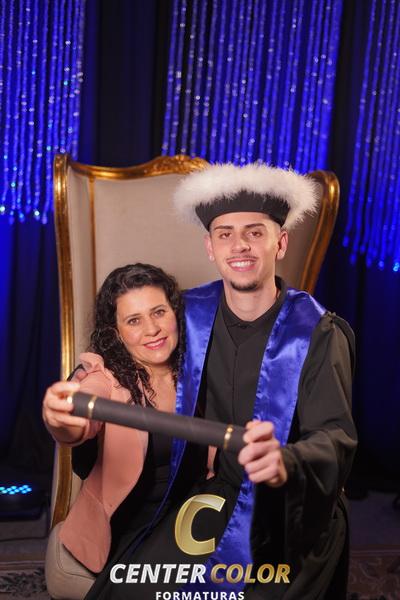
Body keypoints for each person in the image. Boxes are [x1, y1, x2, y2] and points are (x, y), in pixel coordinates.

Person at [43, 263, 190, 595]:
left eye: (159, 312)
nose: (152, 329)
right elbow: (81, 417)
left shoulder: (198, 368)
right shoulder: (104, 378)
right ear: (116, 333)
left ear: (175, 313)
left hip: (190, 518)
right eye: (134, 321)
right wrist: (62, 421)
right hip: (129, 528)